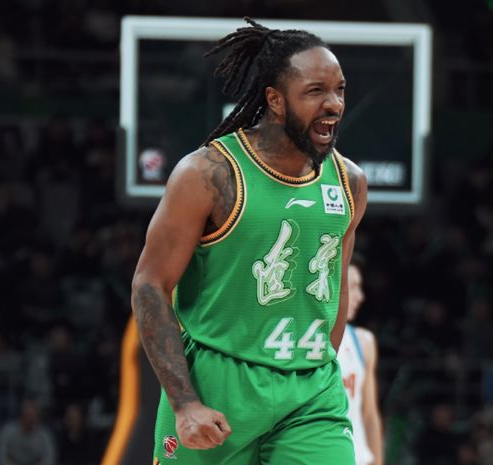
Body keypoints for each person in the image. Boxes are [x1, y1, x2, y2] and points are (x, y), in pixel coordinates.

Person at [131, 17, 367, 465]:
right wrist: (184, 403)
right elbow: (149, 285)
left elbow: (335, 290)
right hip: (218, 384)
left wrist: (318, 367)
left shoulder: (349, 181)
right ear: (275, 100)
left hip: (311, 393)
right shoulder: (208, 174)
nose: (334, 104)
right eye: (315, 91)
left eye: (339, 90)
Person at [337, 257, 384, 465]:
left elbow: (370, 415)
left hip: (358, 458)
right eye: (354, 287)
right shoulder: (307, 342)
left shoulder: (364, 342)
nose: (361, 297)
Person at [0, 398, 56, 465]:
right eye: (27, 415)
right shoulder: (8, 431)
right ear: (21, 415)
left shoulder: (44, 435)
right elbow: (0, 456)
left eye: (32, 415)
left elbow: (49, 459)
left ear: (37, 417)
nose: (30, 419)